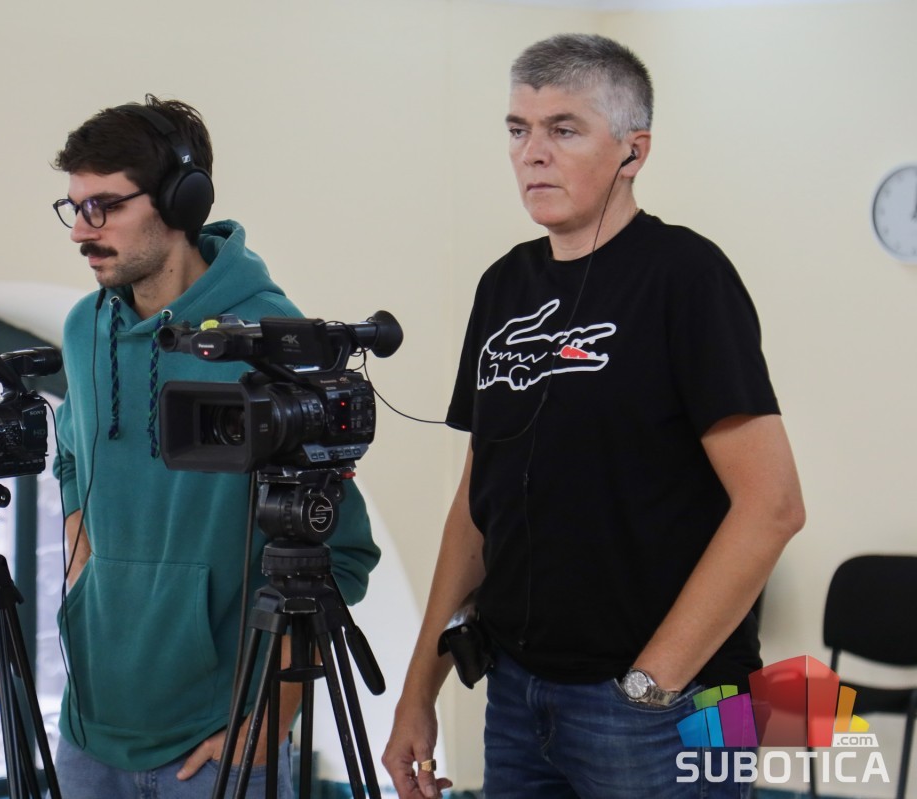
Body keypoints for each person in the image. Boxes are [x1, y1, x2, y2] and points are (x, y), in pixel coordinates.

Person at [383, 34, 805, 799]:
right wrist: (420, 689)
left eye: (564, 129)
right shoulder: (503, 286)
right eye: (519, 129)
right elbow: (476, 507)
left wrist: (651, 682)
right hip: (518, 695)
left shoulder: (687, 277)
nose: (533, 153)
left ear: (633, 150)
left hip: (663, 707)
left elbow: (772, 505)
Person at [50, 95, 380, 799]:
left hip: (217, 748)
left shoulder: (270, 339)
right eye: (74, 208)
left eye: (104, 206)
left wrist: (273, 719)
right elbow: (70, 453)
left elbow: (340, 553)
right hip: (87, 729)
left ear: (181, 202)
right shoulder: (84, 328)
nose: (81, 231)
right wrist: (85, 556)